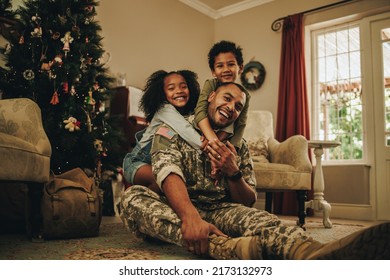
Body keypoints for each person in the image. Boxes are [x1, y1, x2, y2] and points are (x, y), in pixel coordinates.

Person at [120, 82, 390, 259]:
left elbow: (248, 201)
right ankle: (223, 248)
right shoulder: (174, 128)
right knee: (133, 199)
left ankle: (313, 254)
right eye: (227, 98)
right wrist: (190, 216)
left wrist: (232, 171)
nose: (231, 108)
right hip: (177, 206)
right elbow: (167, 172)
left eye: (238, 106)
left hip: (219, 209)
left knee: (265, 220)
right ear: (211, 97)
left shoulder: (239, 146)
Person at [122, 70, 204, 194]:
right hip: (138, 162)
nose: (179, 91)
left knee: (174, 181)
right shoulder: (165, 109)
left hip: (159, 163)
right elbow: (189, 134)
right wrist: (211, 149)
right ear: (162, 94)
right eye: (171, 88)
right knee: (164, 180)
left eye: (184, 86)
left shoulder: (186, 114)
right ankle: (141, 205)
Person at [194, 40, 250, 149]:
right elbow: (200, 111)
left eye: (231, 64)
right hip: (204, 130)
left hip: (225, 133)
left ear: (241, 68)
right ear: (213, 71)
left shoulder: (244, 95)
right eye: (220, 66)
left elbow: (241, 124)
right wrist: (213, 140)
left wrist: (233, 148)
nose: (226, 70)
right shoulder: (211, 84)